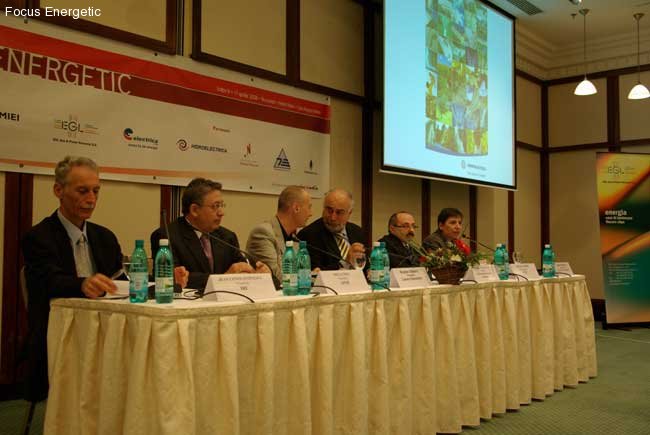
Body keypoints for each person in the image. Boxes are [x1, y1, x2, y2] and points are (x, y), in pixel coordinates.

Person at [21, 156, 122, 401]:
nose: (91, 199)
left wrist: (158, 279)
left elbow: (121, 280)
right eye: (82, 191)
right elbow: (50, 281)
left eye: (96, 191)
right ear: (59, 190)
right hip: (59, 335)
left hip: (106, 331)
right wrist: (83, 284)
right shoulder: (38, 236)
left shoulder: (105, 237)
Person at [151, 178, 269, 291]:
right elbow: (171, 278)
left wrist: (256, 275)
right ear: (194, 210)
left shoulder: (227, 237)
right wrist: (224, 279)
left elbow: (241, 269)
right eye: (215, 206)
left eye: (221, 205)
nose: (221, 212)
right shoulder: (166, 236)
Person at [246, 186, 312, 283]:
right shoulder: (263, 233)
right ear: (296, 208)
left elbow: (297, 274)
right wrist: (305, 278)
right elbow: (277, 278)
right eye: (309, 207)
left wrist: (313, 276)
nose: (311, 213)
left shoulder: (294, 238)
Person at [297, 188, 366, 270]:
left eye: (339, 212)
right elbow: (315, 273)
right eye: (329, 210)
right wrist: (345, 262)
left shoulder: (357, 232)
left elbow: (366, 266)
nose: (333, 218)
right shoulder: (309, 235)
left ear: (349, 213)